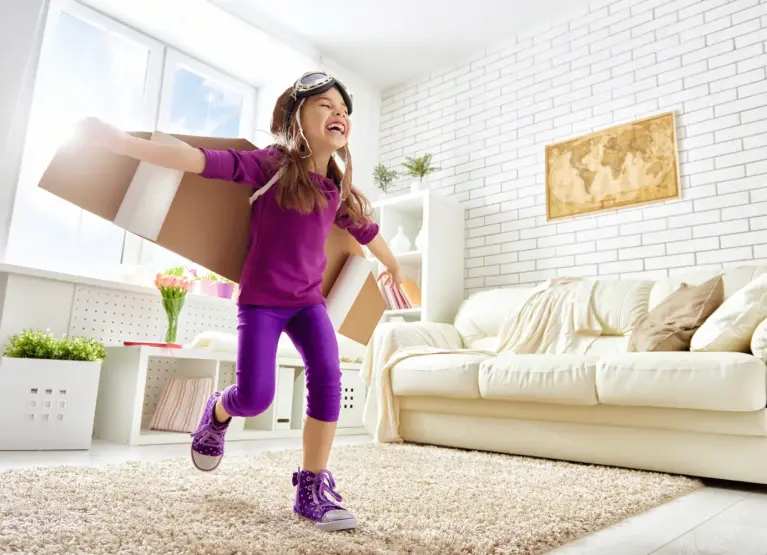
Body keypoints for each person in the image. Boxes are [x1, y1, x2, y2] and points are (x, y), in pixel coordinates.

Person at [77, 71, 402, 532]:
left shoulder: (337, 192)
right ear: (296, 119)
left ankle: (311, 487)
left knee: (328, 377)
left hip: (309, 305)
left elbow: (368, 232)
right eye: (326, 106)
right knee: (255, 396)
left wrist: (393, 265)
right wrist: (123, 144)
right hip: (262, 303)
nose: (338, 115)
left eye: (344, 111)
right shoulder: (272, 166)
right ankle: (218, 410)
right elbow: (198, 160)